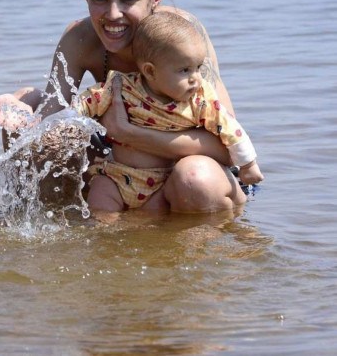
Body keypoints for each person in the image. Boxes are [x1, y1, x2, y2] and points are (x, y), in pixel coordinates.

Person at [0, 0, 248, 214]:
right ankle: (37, 221)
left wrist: (130, 134)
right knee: (27, 109)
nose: (113, 15)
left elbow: (229, 149)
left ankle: (196, 243)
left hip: (195, 174)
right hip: (123, 170)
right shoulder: (80, 38)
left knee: (194, 179)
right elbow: (52, 122)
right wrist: (18, 109)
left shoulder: (181, 37)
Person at [78, 11, 264, 212]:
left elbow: (231, 131)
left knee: (155, 219)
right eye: (185, 70)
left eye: (198, 67)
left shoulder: (200, 100)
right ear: (150, 71)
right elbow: (88, 101)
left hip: (162, 182)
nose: (196, 78)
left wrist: (248, 165)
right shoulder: (122, 86)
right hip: (117, 175)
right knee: (100, 199)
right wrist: (67, 120)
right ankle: (104, 236)